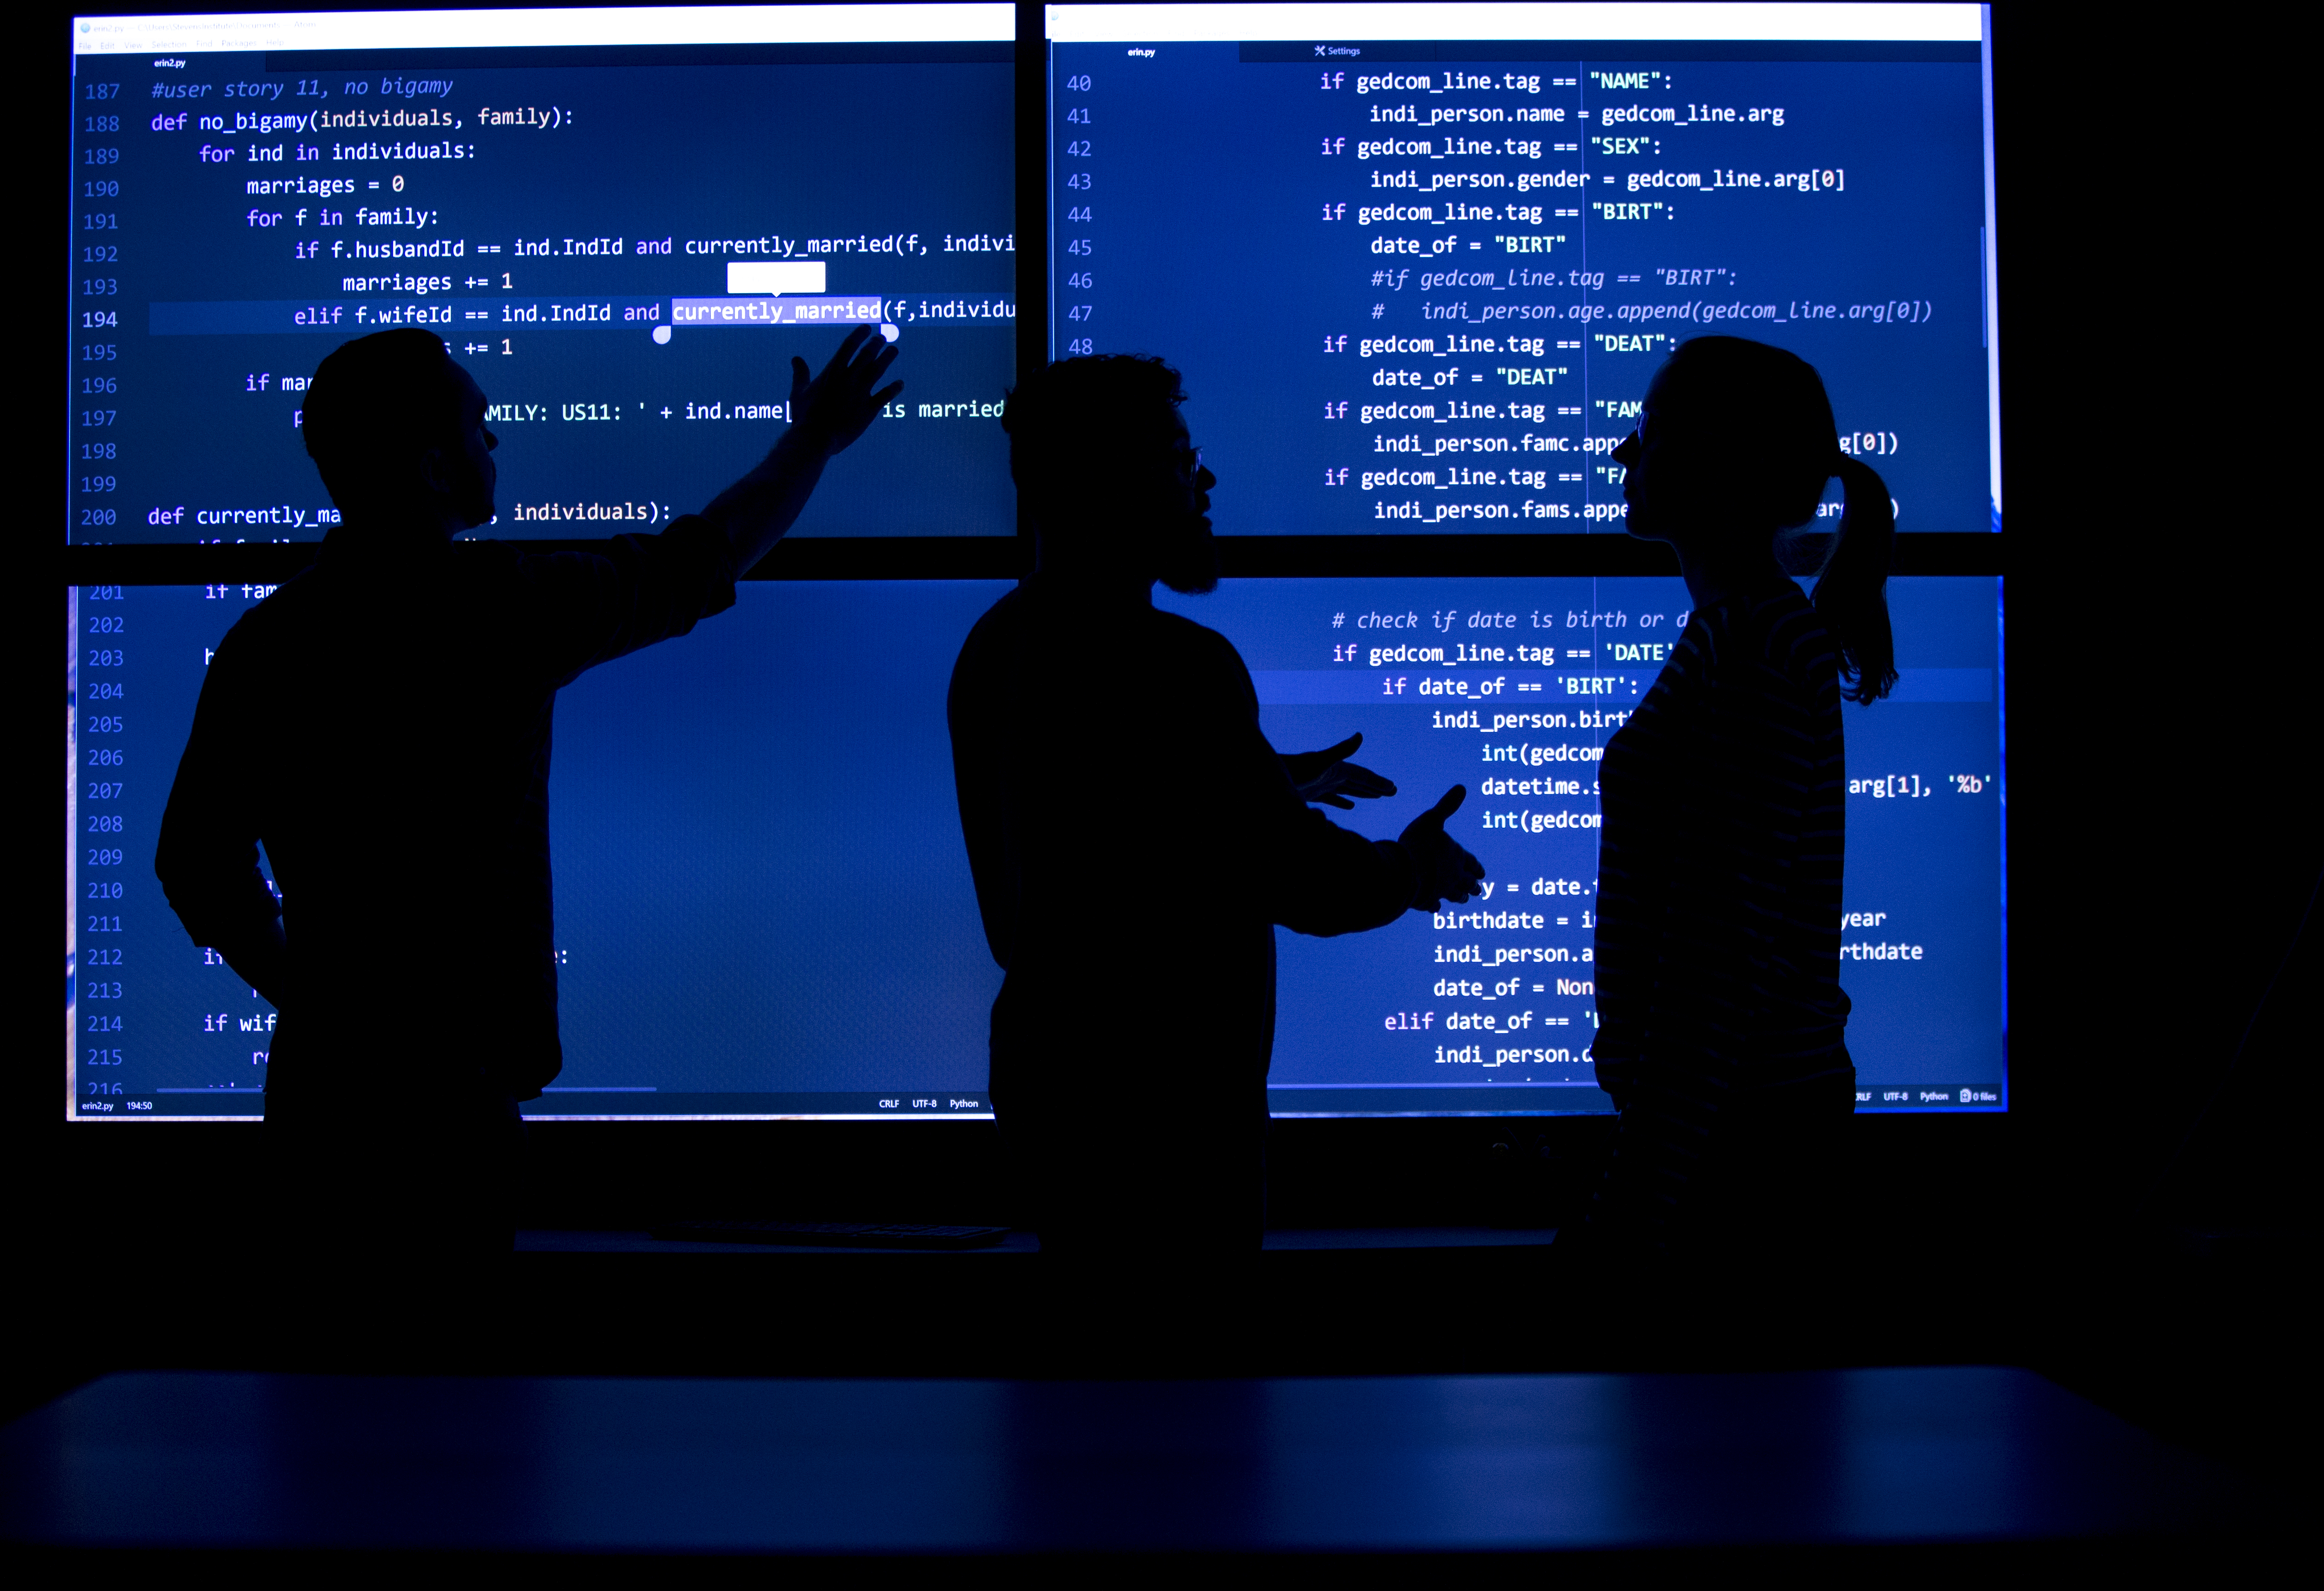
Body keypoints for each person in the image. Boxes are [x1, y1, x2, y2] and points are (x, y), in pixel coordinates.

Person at [155, 325, 900, 1258]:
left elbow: (192, 862)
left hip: (319, 1101)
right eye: (481, 428)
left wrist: (318, 1002)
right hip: (454, 1112)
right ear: (433, 468)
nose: (495, 446)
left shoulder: (268, 642)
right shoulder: (502, 611)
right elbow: (704, 558)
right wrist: (813, 441)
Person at [947, 355, 1485, 1260]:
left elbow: (1105, 812)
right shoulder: (1179, 668)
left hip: (1054, 1090)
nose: (1204, 480)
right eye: (1176, 455)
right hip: (1172, 1118)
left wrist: (1262, 775)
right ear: (1107, 483)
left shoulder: (999, 645)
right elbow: (1302, 879)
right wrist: (1412, 867)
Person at [1568, 335, 1896, 1255]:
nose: (1625, 453)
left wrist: (1631, 1210)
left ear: (1734, 464)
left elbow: (1721, 953)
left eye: (1655, 430)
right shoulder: (1747, 632)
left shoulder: (1750, 644)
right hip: (1739, 1133)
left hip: (1741, 1149)